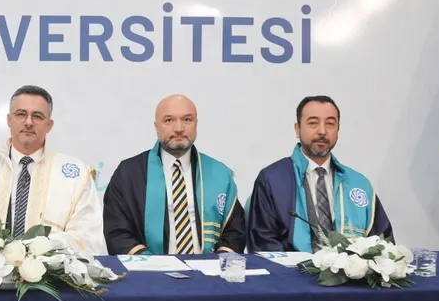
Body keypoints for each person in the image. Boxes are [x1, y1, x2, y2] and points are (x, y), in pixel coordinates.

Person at [0, 85, 105, 254]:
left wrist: (33, 251)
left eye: (37, 116)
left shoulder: (77, 176)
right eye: (21, 114)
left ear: (49, 125)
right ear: (9, 120)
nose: (29, 122)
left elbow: (86, 240)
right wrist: (1, 250)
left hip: (51, 270)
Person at [247, 95, 394, 253]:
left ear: (338, 130)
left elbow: (383, 244)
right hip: (292, 268)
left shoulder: (359, 184)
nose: (322, 131)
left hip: (351, 268)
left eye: (330, 124)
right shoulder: (273, 179)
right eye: (313, 123)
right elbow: (264, 243)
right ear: (297, 129)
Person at [103, 95, 246, 255]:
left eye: (187, 120)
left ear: (196, 124)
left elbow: (235, 230)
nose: (179, 128)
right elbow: (117, 231)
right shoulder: (128, 174)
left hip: (209, 268)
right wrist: (152, 264)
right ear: (156, 126)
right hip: (148, 268)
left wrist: (216, 263)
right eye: (169, 120)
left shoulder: (219, 174)